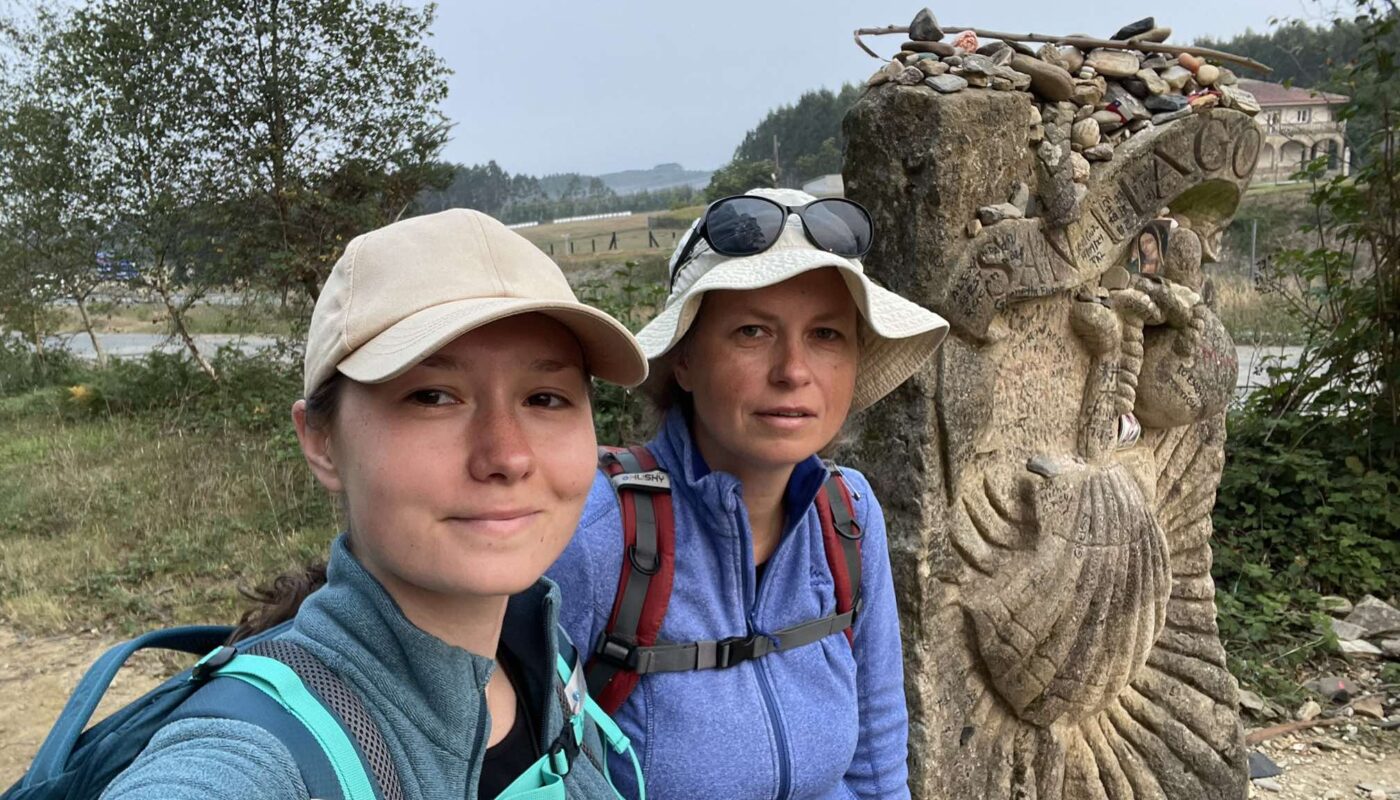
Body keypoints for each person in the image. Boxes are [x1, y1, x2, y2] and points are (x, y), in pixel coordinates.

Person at [101, 209, 650, 800]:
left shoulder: (546, 659)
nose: (508, 456)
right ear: (321, 440)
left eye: (544, 398)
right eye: (432, 396)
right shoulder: (252, 758)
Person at [548, 188, 950, 799]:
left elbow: (877, 759)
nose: (793, 370)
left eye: (826, 334)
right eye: (753, 331)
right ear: (684, 360)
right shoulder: (596, 536)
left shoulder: (848, 516)